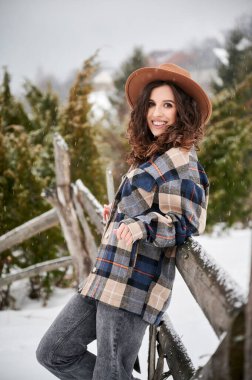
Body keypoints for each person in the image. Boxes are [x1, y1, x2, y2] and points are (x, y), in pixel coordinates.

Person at [36, 63, 211, 380]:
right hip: (104, 277)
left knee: (110, 373)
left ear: (182, 111)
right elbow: (147, 205)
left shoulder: (181, 160)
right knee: (53, 352)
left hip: (132, 285)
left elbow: (187, 221)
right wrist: (118, 215)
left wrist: (141, 226)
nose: (157, 113)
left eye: (168, 105)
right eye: (153, 104)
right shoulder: (154, 155)